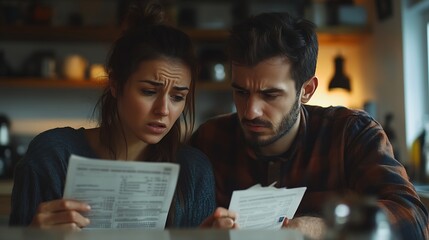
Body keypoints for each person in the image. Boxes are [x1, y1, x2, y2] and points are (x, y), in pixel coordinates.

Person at [190, 12, 429, 239]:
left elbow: (415, 221)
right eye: (241, 92)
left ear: (306, 91)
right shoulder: (210, 140)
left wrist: (325, 228)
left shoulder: (351, 134)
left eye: (270, 95)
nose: (250, 111)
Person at [9, 1, 217, 230]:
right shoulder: (52, 157)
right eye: (149, 91)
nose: (164, 109)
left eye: (177, 97)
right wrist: (32, 236)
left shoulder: (193, 170)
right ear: (115, 84)